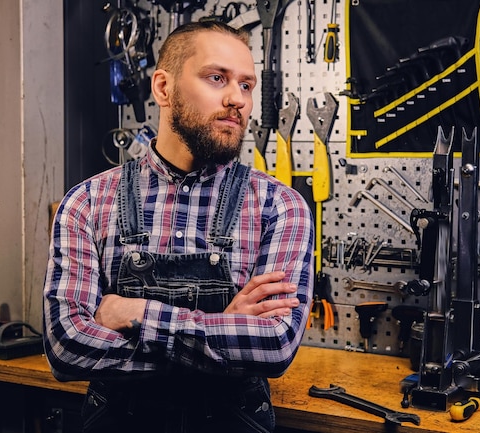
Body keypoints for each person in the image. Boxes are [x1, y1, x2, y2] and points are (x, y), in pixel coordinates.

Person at [43, 20, 314, 433]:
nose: (236, 99)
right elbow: (66, 346)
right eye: (216, 77)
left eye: (246, 85)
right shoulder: (86, 203)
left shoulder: (281, 206)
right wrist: (223, 330)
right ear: (163, 88)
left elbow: (274, 344)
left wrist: (133, 312)